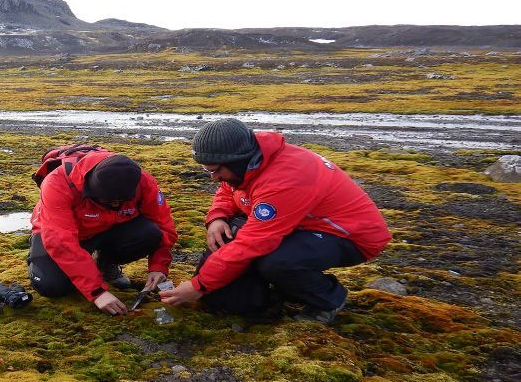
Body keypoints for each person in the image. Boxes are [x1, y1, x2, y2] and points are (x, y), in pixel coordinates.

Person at [161, 118, 391, 323]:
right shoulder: (249, 161)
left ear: (237, 160)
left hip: (350, 235)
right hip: (303, 223)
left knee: (276, 261)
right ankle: (279, 291)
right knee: (232, 237)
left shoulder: (285, 179)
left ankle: (328, 299)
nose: (212, 177)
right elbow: (229, 188)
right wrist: (217, 217)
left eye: (214, 170)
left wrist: (198, 286)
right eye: (206, 170)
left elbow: (253, 243)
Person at [28, 151, 177, 315]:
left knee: (151, 233)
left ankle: (105, 263)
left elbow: (163, 224)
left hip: (107, 229)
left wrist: (158, 267)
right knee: (52, 286)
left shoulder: (142, 181)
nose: (115, 204)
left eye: (120, 201)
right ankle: (38, 259)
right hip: (61, 233)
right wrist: (97, 292)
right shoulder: (57, 183)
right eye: (108, 201)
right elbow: (60, 241)